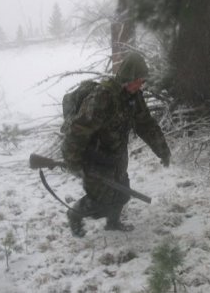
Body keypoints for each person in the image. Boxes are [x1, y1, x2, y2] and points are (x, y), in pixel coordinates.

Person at [60, 52, 171, 237]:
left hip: (116, 156)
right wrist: (73, 160)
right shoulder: (103, 97)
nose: (140, 84)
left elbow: (146, 125)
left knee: (122, 193)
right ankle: (75, 215)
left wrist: (163, 151)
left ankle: (113, 224)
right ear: (127, 77)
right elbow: (78, 129)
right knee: (100, 201)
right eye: (137, 80)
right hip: (94, 156)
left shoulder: (134, 97)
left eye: (142, 81)